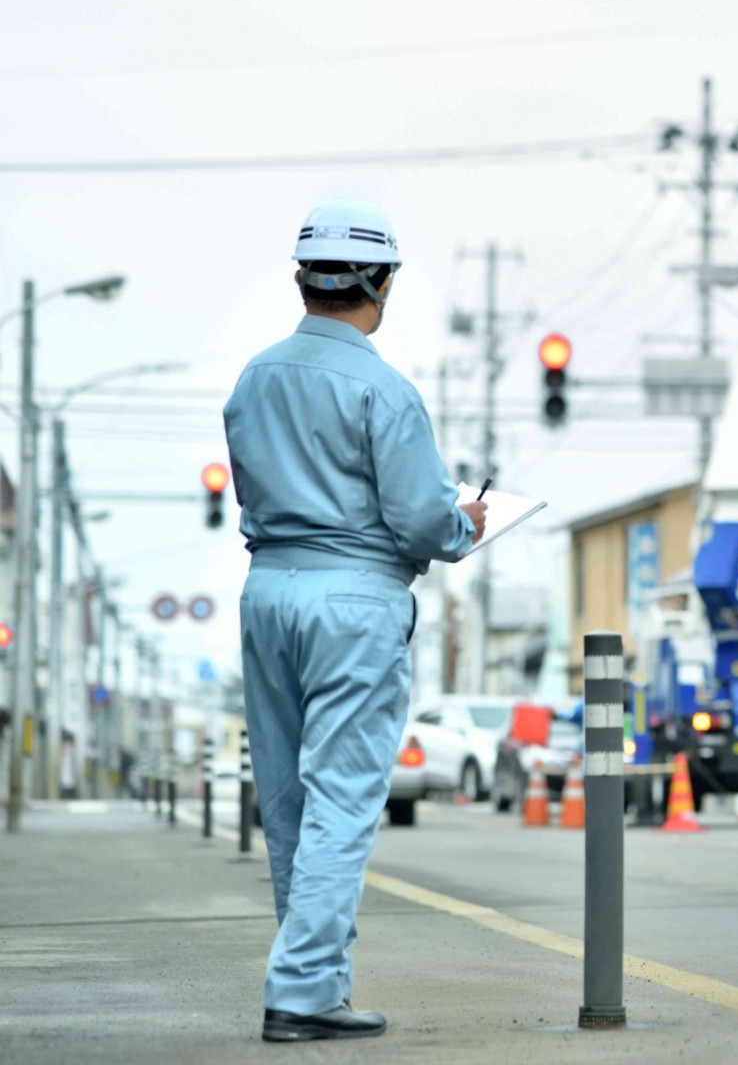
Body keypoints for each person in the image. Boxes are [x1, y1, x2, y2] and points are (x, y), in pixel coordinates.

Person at [223, 197, 486, 1043]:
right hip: (354, 598)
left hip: (269, 590)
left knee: (291, 797)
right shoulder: (384, 389)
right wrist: (465, 525)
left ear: (304, 279)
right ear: (382, 283)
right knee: (342, 798)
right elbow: (420, 523)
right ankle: (301, 991)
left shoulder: (254, 377)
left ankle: (315, 981)